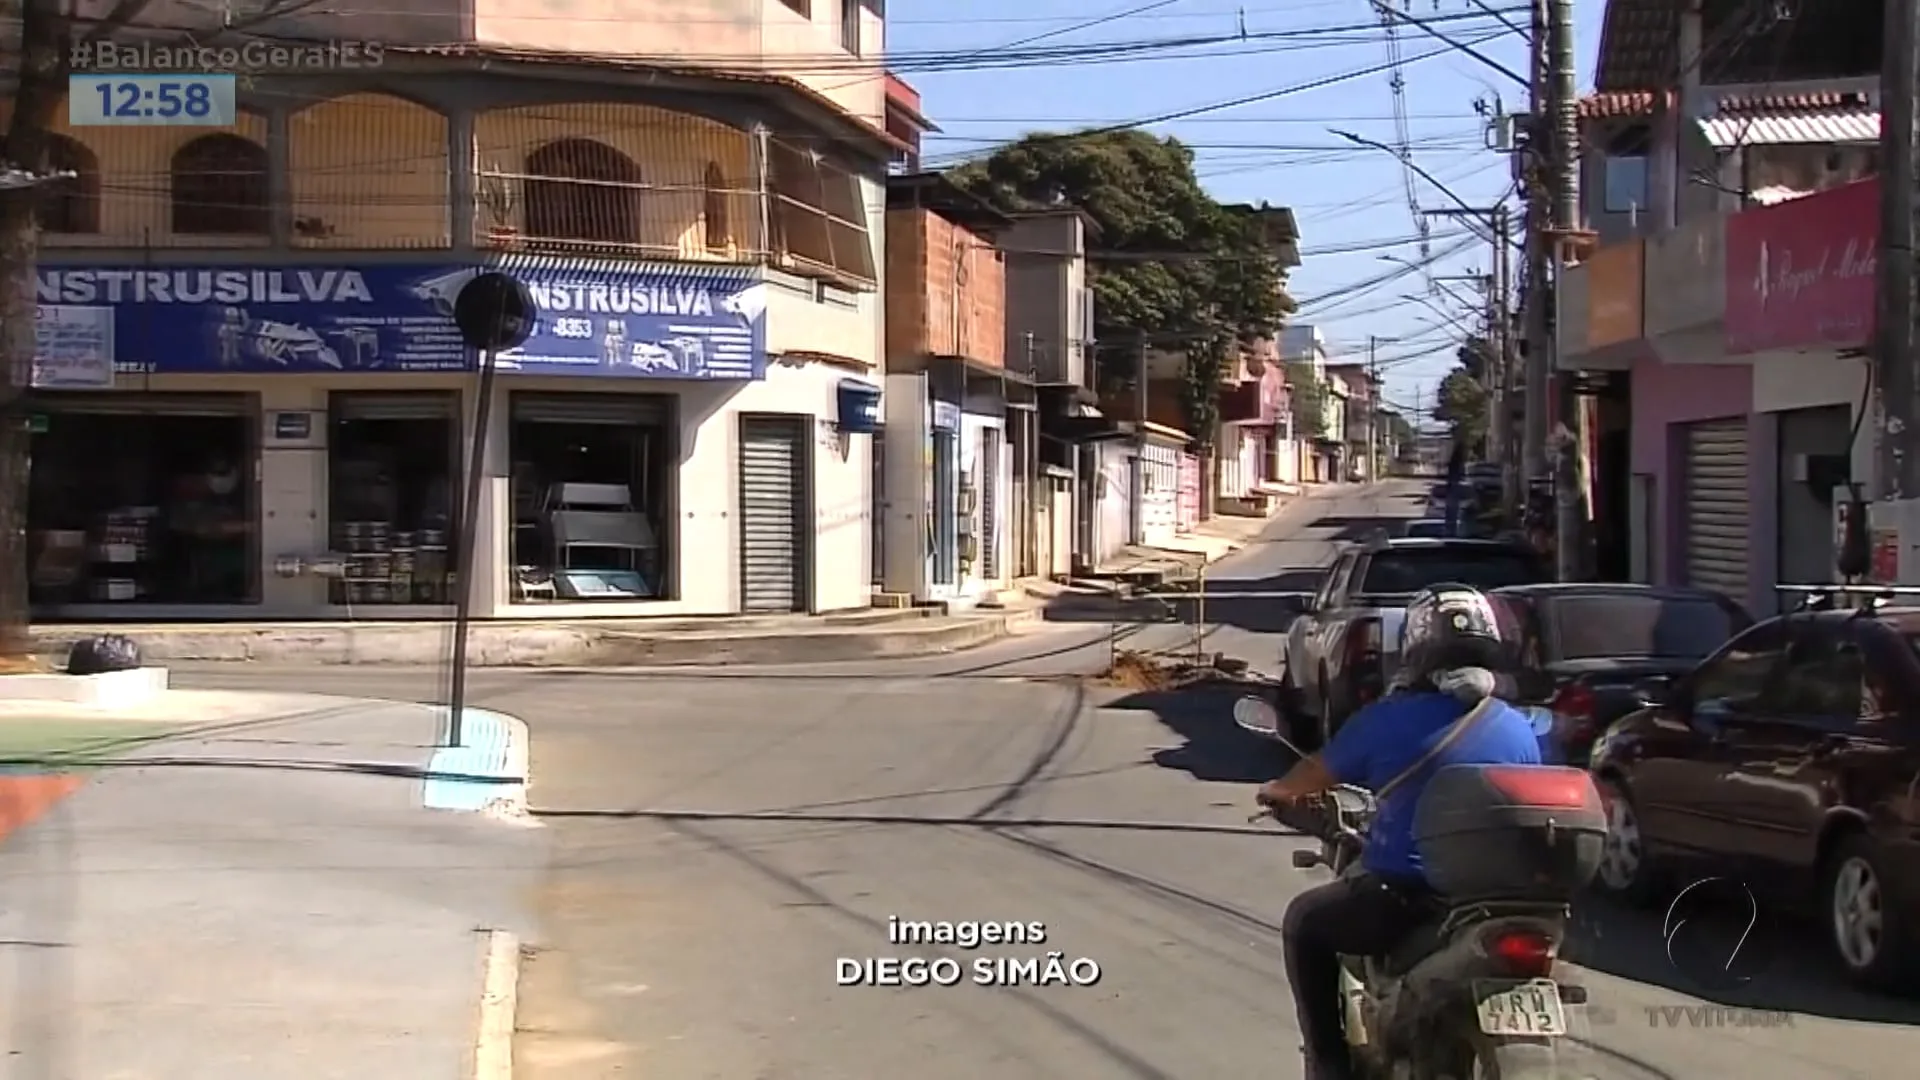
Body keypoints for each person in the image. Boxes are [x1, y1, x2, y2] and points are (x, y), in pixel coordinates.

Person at [1258, 584, 1544, 1080]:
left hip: (1408, 897)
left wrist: (1276, 794)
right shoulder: (1517, 726)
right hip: (1500, 899)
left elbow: (1304, 782)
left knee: (1306, 924)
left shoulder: (1390, 720)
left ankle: (1330, 1065)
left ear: (1415, 648)